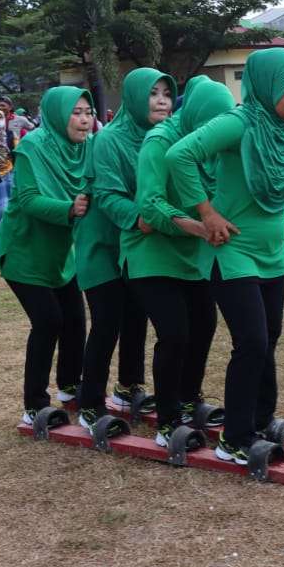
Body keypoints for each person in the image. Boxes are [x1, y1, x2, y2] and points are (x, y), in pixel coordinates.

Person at [166, 50, 284, 464]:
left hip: (272, 250)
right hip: (232, 251)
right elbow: (180, 156)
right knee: (251, 342)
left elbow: (282, 176)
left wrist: (282, 204)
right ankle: (235, 437)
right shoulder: (239, 121)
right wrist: (207, 212)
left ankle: (261, 419)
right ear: (266, 85)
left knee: (270, 338)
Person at [108, 78, 233, 441]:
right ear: (196, 115)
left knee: (204, 325)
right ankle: (168, 420)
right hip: (149, 254)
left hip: (192, 255)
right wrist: (198, 226)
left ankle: (189, 400)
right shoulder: (159, 141)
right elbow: (150, 206)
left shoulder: (210, 146)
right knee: (175, 333)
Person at [76, 67, 174, 414]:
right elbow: (107, 193)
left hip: (135, 243)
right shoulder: (109, 139)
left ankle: (128, 386)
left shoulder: (165, 135)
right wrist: (140, 217)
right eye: (153, 93)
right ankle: (90, 403)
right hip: (103, 243)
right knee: (106, 322)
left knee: (137, 315)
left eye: (166, 93)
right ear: (134, 97)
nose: (162, 100)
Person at [0, 86, 95, 424]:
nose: (84, 120)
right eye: (76, 112)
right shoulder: (33, 147)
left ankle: (70, 386)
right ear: (56, 114)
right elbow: (28, 199)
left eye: (87, 112)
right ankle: (35, 404)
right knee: (48, 321)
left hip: (60, 254)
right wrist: (71, 208)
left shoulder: (87, 148)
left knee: (75, 321)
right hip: (24, 251)